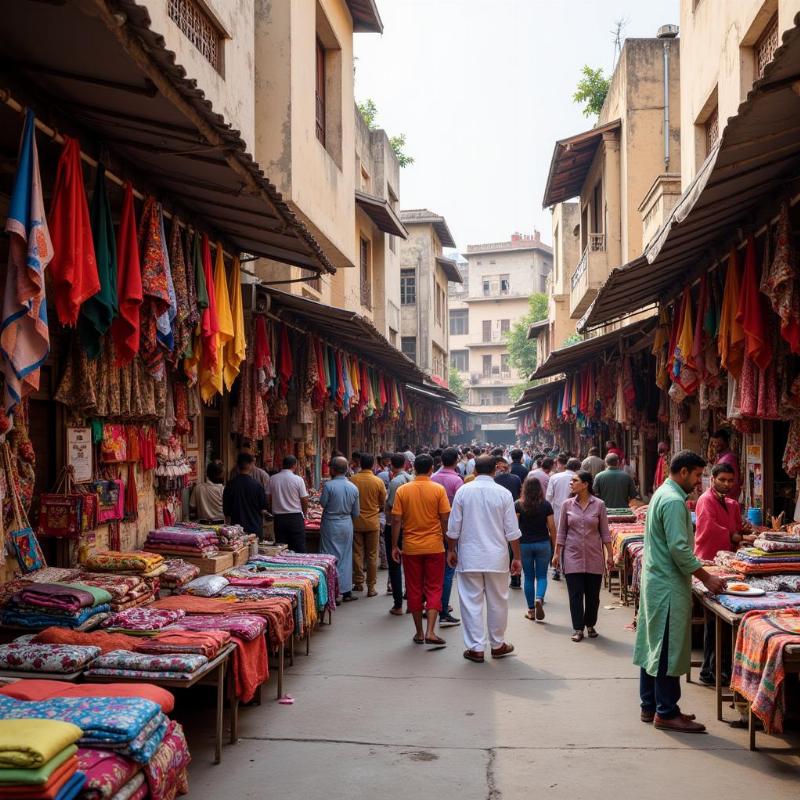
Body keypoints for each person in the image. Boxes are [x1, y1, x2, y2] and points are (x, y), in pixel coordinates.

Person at [634, 450, 727, 733]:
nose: (700, 481)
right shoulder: (674, 501)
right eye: (698, 475)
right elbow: (678, 548)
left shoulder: (662, 494)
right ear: (683, 472)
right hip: (668, 584)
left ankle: (650, 705)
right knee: (666, 647)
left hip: (657, 580)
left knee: (654, 644)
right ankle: (667, 710)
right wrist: (705, 576)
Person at [446, 455, 521, 662]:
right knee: (498, 601)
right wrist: (516, 557)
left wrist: (451, 550)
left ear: (475, 471)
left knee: (471, 602)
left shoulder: (463, 491)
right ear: (495, 470)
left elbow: (453, 528)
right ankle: (497, 644)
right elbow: (512, 531)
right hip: (497, 557)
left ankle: (476, 648)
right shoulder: (504, 494)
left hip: (470, 557)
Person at [694, 462, 755, 687]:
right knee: (714, 617)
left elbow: (736, 527)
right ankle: (711, 669)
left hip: (729, 562)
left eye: (730, 480)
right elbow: (709, 529)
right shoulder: (705, 500)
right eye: (723, 480)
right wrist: (738, 537)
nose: (727, 484)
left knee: (723, 618)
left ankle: (721, 668)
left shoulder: (731, 503)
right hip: (709, 564)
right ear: (713, 479)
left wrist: (748, 532)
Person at [390, 454, 450, 646]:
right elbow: (444, 519)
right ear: (432, 468)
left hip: (411, 547)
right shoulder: (438, 490)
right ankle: (431, 631)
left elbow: (396, 520)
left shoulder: (403, 490)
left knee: (414, 588)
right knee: (434, 587)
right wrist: (449, 544)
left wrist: (394, 545)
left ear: (414, 468)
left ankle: (419, 633)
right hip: (435, 546)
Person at [553, 471, 613, 642]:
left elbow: (605, 532)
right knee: (575, 594)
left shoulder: (599, 505)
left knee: (593, 596)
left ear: (585, 484)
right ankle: (578, 628)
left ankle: (590, 624)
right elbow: (562, 532)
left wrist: (610, 554)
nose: (571, 483)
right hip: (572, 556)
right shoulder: (567, 505)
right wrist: (557, 553)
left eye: (575, 480)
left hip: (594, 556)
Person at [319, 457, 361, 602]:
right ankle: (346, 591)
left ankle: (334, 592)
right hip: (346, 524)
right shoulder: (353, 487)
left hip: (331, 523)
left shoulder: (329, 486)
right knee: (345, 556)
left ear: (333, 470)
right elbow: (356, 513)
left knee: (330, 557)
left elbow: (323, 504)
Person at [516, 476, 556, 622]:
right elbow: (552, 527)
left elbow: (514, 526)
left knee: (528, 577)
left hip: (524, 544)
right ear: (540, 489)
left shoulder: (518, 505)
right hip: (543, 543)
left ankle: (531, 610)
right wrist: (555, 546)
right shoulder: (546, 505)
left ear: (524, 489)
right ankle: (539, 598)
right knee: (542, 576)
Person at [431, 447, 463, 627]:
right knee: (449, 571)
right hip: (451, 530)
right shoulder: (457, 481)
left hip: (433, 529)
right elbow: (460, 509)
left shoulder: (433, 478)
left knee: (435, 571)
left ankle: (433, 606)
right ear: (456, 462)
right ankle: (442, 609)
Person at [349, 453, 387, 596]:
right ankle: (371, 587)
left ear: (359, 463)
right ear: (372, 465)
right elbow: (383, 502)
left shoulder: (353, 480)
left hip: (356, 521)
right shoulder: (378, 481)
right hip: (373, 522)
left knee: (357, 553)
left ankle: (358, 582)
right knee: (372, 555)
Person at [384, 453, 411, 615]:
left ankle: (398, 604)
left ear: (391, 465)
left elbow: (394, 512)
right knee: (410, 565)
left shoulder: (396, 481)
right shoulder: (411, 478)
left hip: (396, 528)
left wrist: (394, 542)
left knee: (395, 564)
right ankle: (412, 599)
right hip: (411, 527)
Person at [546, 457, 581, 580]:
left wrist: (547, 516)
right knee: (573, 540)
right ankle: (571, 567)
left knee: (558, 540)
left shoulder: (554, 477)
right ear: (578, 468)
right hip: (576, 514)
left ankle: (557, 568)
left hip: (556, 514)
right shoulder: (580, 479)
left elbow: (549, 498)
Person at [267, 455, 309, 552]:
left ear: (283, 465)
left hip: (279, 519)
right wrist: (305, 513)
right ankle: (300, 566)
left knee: (282, 548)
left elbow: (268, 498)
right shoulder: (298, 479)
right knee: (299, 548)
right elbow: (304, 499)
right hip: (295, 517)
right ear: (295, 465)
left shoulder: (273, 479)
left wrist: (271, 509)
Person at [223, 453, 269, 537]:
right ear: (251, 464)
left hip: (236, 530)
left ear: (237, 465)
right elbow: (263, 508)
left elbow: (226, 512)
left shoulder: (230, 485)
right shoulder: (257, 485)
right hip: (254, 528)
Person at [710, 429, 742, 503]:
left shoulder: (729, 459)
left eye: (718, 442)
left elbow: (734, 482)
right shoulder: (721, 457)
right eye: (714, 442)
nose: (715, 445)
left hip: (727, 500)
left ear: (726, 442)